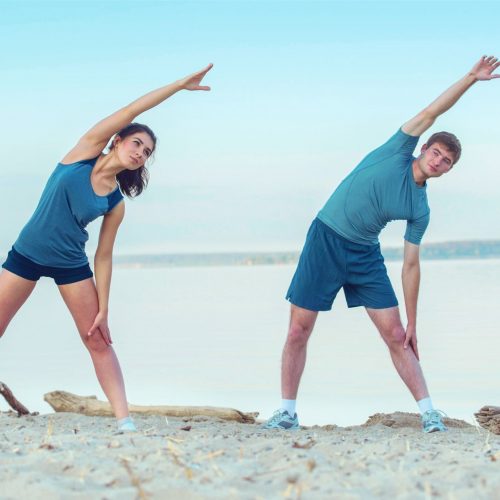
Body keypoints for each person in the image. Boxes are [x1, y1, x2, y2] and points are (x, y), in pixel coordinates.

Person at [263, 56, 499, 432]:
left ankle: (429, 414)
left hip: (364, 255)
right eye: (436, 152)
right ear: (423, 148)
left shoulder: (420, 208)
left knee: (396, 335)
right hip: (325, 238)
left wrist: (413, 322)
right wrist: (471, 78)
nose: (438, 161)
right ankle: (287, 412)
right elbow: (431, 111)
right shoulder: (397, 150)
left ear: (449, 170)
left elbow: (411, 265)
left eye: (447, 161)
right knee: (298, 330)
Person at [0, 64, 213, 432]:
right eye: (137, 143)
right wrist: (178, 86)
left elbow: (103, 255)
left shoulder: (116, 202)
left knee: (98, 339)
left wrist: (105, 307)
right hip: (27, 254)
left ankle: (124, 420)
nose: (140, 153)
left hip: (71, 264)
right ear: (118, 140)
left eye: (147, 152)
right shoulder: (84, 151)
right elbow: (132, 110)